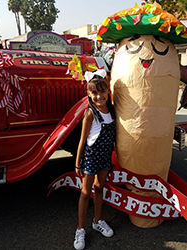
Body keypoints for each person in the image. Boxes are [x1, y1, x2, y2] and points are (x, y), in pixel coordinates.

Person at [74, 69, 115, 250]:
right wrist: (77, 162)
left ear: (108, 92)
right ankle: (80, 229)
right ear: (89, 94)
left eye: (102, 92)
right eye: (95, 93)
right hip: (91, 156)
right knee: (85, 192)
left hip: (105, 156)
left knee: (100, 188)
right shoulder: (90, 114)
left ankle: (97, 221)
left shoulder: (112, 110)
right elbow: (82, 140)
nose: (99, 96)